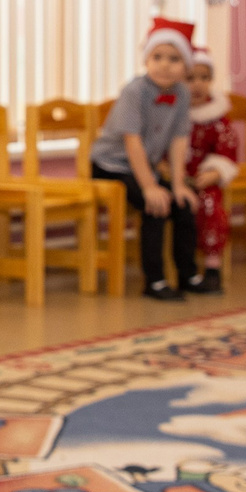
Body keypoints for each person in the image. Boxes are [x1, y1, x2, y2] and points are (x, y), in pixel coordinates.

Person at [90, 17, 203, 299]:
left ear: (186, 66)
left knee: (181, 203)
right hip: (111, 165)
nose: (165, 64)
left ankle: (188, 274)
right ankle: (155, 282)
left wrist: (177, 183)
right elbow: (133, 142)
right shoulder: (135, 91)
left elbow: (179, 140)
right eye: (158, 57)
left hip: (144, 167)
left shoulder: (182, 94)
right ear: (146, 59)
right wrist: (150, 186)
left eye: (174, 59)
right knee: (156, 204)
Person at [181, 46, 243, 294]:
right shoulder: (173, 113)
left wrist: (216, 173)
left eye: (204, 78)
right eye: (190, 78)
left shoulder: (217, 118)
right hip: (178, 177)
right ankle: (182, 265)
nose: (197, 85)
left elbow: (227, 152)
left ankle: (212, 266)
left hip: (205, 178)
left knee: (209, 205)